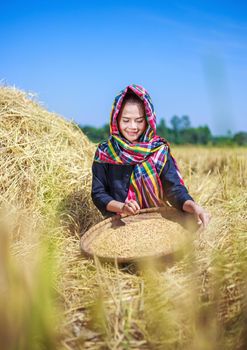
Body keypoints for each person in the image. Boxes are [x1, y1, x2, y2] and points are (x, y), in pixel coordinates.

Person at [91, 84, 210, 228]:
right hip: (120, 224)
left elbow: (174, 190)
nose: (133, 127)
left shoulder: (158, 150)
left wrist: (193, 206)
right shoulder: (105, 152)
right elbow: (98, 193)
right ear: (116, 119)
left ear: (148, 120)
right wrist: (122, 207)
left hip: (157, 222)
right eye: (126, 120)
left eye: (139, 120)